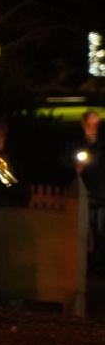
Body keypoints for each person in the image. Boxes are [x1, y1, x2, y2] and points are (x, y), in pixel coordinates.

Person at [71, 110, 105, 273]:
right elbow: (66, 160)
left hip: (99, 193)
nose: (93, 127)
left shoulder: (101, 142)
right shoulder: (77, 142)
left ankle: (97, 264)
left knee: (99, 230)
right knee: (84, 229)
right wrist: (76, 168)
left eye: (96, 124)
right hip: (83, 192)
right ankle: (84, 263)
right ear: (84, 124)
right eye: (90, 124)